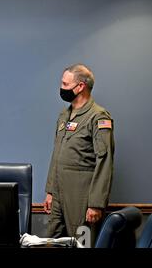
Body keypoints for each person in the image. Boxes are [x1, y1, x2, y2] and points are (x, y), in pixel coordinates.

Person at [43, 64, 115, 245]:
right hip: (59, 193)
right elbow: (57, 154)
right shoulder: (64, 115)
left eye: (65, 84)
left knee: (82, 243)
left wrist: (96, 203)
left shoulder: (98, 117)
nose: (61, 88)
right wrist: (50, 191)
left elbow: (104, 161)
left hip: (82, 196)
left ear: (80, 86)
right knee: (52, 241)